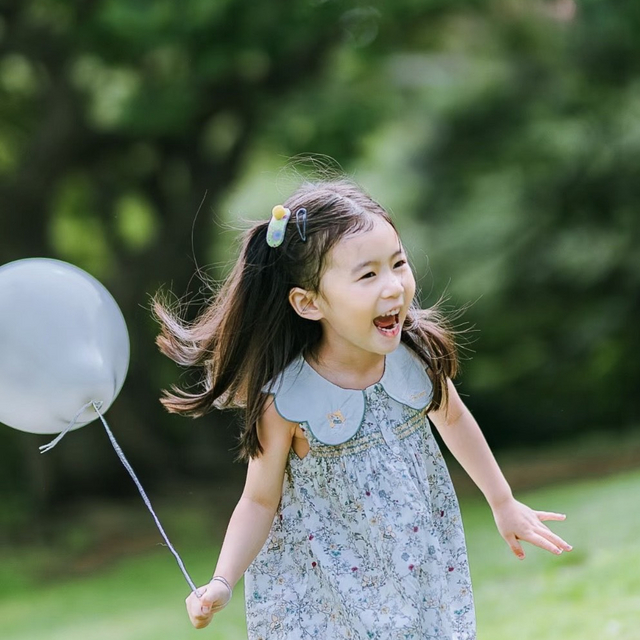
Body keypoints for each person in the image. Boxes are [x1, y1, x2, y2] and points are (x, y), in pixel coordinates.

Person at [154, 178, 572, 640]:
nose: (393, 285)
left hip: (413, 560)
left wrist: (502, 501)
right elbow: (258, 499)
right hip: (326, 584)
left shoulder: (412, 356)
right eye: (368, 274)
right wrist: (222, 580)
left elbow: (452, 418)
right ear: (308, 303)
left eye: (398, 263)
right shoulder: (288, 398)